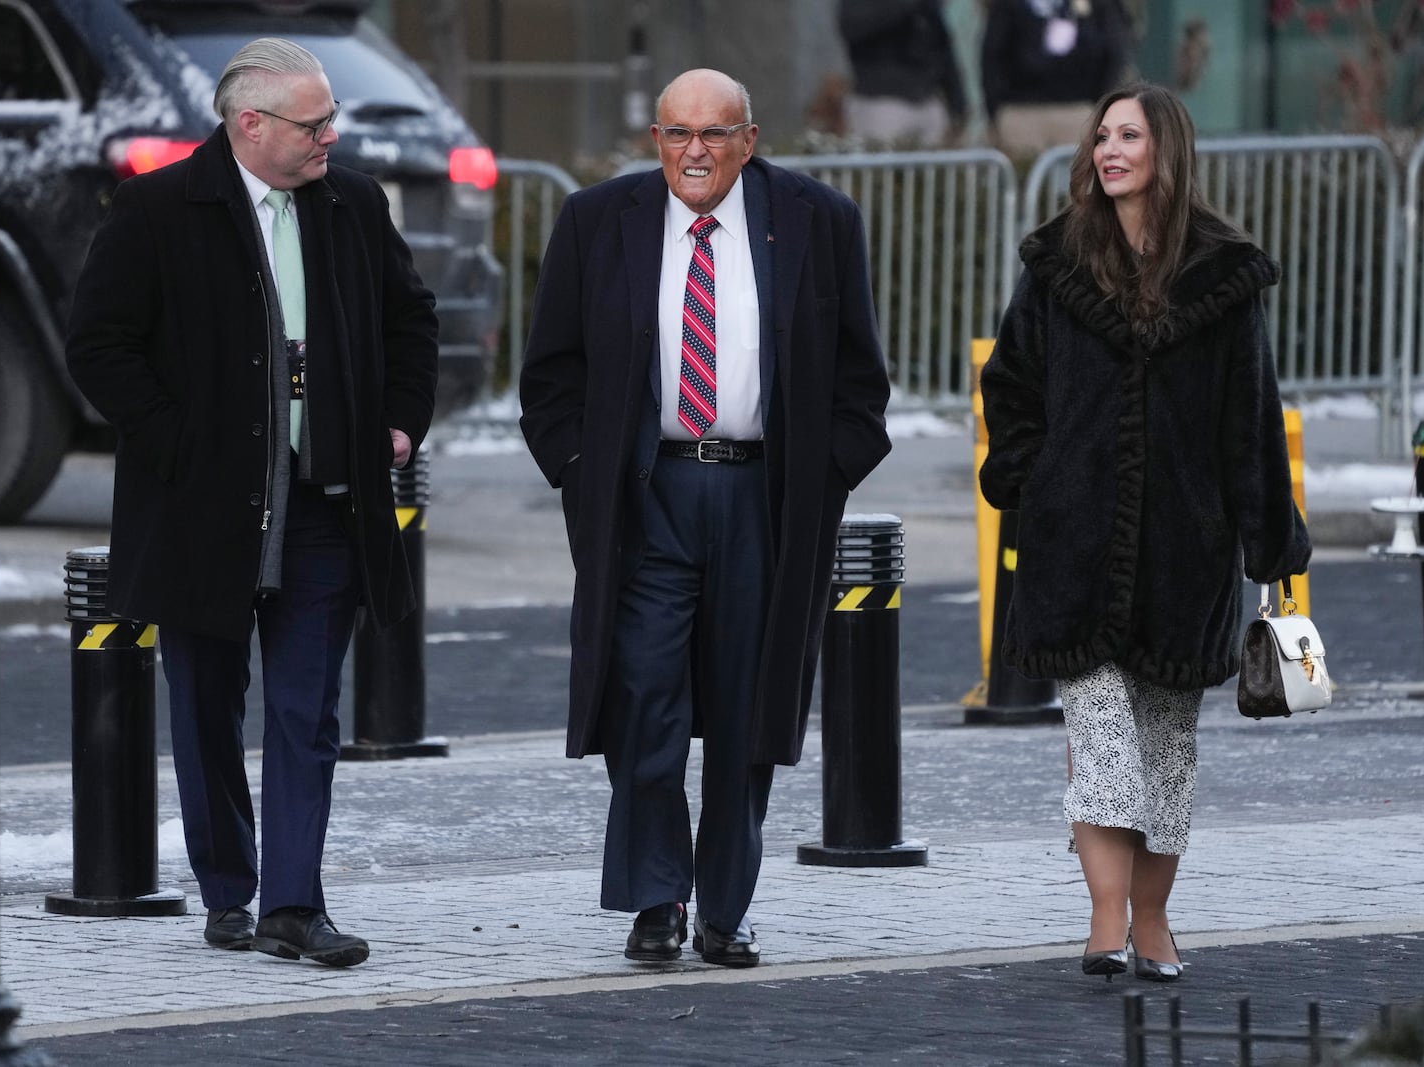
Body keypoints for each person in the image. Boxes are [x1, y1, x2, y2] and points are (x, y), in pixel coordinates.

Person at [65, 37, 438, 968]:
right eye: (314, 123)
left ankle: (293, 903)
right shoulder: (159, 207)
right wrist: (180, 443)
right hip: (202, 510)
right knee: (204, 708)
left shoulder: (352, 202)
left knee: (307, 712)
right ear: (250, 124)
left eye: (329, 121)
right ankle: (229, 887)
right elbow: (99, 345)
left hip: (324, 501)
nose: (330, 136)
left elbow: (410, 316)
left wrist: (398, 421)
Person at [518, 68, 891, 968]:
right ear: (655, 140)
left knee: (744, 709)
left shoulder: (818, 220)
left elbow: (859, 385)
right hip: (649, 496)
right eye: (679, 133)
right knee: (641, 695)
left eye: (716, 134)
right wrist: (581, 474)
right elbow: (551, 377)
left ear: (749, 141)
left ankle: (726, 905)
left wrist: (819, 484)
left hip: (763, 497)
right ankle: (657, 895)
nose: (696, 151)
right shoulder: (596, 222)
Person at [977, 83, 1311, 983]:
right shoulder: (1056, 262)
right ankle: (1104, 918)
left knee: (1169, 751)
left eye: (1128, 135)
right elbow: (1011, 382)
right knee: (1108, 750)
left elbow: (1251, 414)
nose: (1108, 149)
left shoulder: (1223, 273)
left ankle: (1154, 922)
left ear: (1166, 148)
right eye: (1101, 136)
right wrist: (1027, 472)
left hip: (1185, 552)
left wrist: (1268, 534)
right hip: (1072, 543)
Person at [980, 0, 1134, 159]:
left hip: (1077, 110)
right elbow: (992, 57)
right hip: (1021, 111)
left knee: (1078, 178)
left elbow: (1113, 52)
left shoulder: (1093, 6)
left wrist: (1100, 107)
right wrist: (997, 112)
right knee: (1023, 177)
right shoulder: (1009, 7)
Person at [839, 0, 969, 147]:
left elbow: (942, 50)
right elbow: (851, 26)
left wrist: (958, 104)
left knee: (932, 166)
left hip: (927, 100)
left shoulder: (926, 9)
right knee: (882, 164)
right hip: (880, 100)